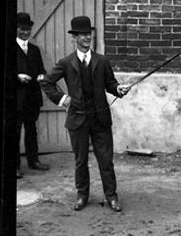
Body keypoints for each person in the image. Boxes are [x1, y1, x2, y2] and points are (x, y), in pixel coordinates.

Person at [40, 16, 130, 212]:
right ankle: (82, 195)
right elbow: (46, 82)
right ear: (75, 37)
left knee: (106, 160)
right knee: (80, 161)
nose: (87, 37)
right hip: (77, 119)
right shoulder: (66, 62)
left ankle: (111, 196)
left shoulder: (102, 61)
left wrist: (118, 90)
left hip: (100, 119)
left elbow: (110, 84)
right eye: (82, 34)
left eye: (89, 33)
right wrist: (63, 99)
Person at [16, 12, 49, 179]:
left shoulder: (35, 50)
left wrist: (42, 75)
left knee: (31, 130)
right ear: (16, 29)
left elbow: (41, 70)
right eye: (22, 29)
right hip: (15, 99)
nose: (25, 32)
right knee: (14, 132)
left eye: (28, 29)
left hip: (32, 97)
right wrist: (17, 76)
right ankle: (14, 167)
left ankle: (33, 161)